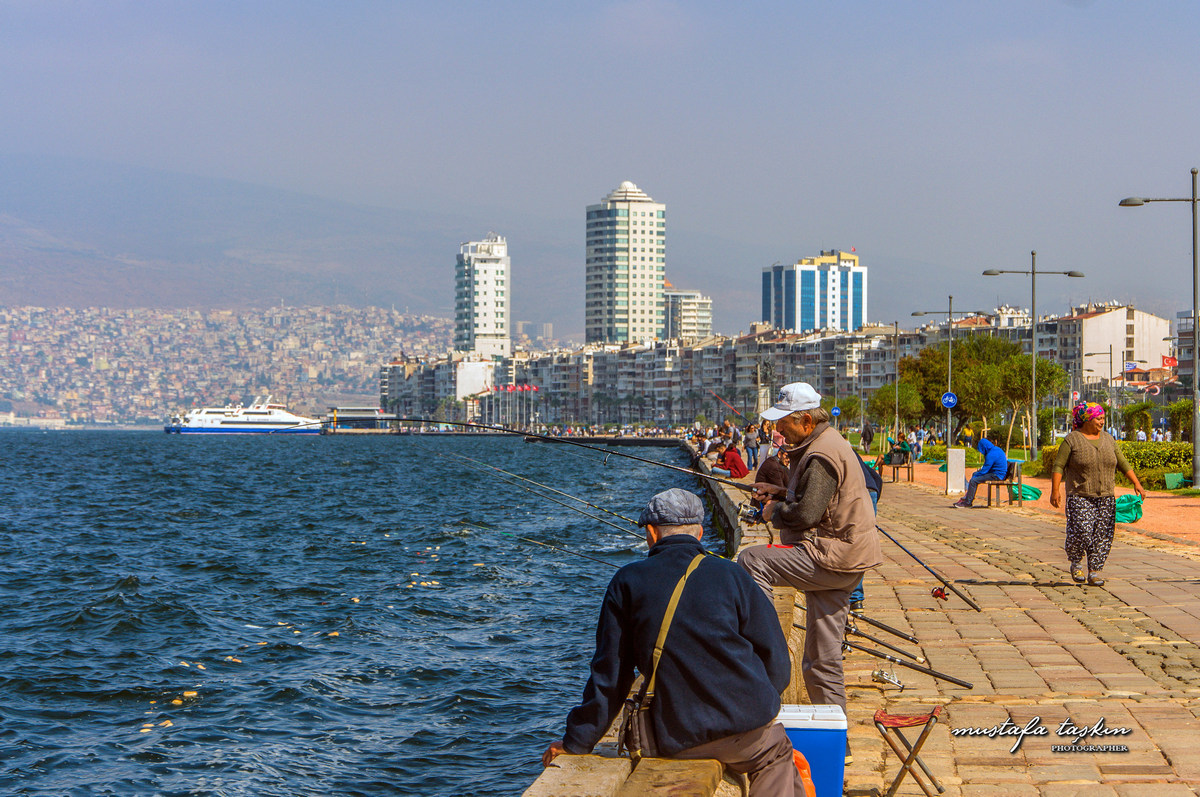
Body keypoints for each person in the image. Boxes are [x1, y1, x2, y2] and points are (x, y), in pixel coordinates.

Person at [542, 489, 803, 795]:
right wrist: (757, 705)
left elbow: (610, 678)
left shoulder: (626, 582)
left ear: (652, 532)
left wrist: (576, 740)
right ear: (700, 533)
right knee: (776, 755)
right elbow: (776, 660)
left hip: (677, 735)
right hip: (746, 731)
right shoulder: (733, 575)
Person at [739, 382, 881, 762]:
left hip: (833, 557)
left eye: (783, 423)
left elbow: (806, 514)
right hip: (848, 558)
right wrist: (780, 491)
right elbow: (813, 501)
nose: (777, 430)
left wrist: (773, 511)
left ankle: (763, 641)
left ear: (804, 419)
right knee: (823, 658)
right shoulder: (827, 442)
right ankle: (839, 745)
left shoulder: (819, 455)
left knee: (753, 560)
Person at [1050, 402, 1145, 586]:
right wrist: (1055, 490)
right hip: (1080, 495)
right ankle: (1076, 562)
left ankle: (1094, 571)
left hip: (1106, 497)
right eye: (1098, 418)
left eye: (1103, 418)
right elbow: (1059, 466)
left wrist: (1136, 483)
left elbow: (1122, 462)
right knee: (1082, 531)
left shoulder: (1109, 439)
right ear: (1087, 420)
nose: (1102, 422)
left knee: (1102, 535)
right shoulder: (1072, 440)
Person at [952, 437, 1009, 508]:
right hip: (997, 474)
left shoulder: (991, 454)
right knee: (974, 476)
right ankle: (968, 497)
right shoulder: (996, 449)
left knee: (973, 480)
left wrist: (976, 474)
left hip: (996, 476)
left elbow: (985, 469)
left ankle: (967, 502)